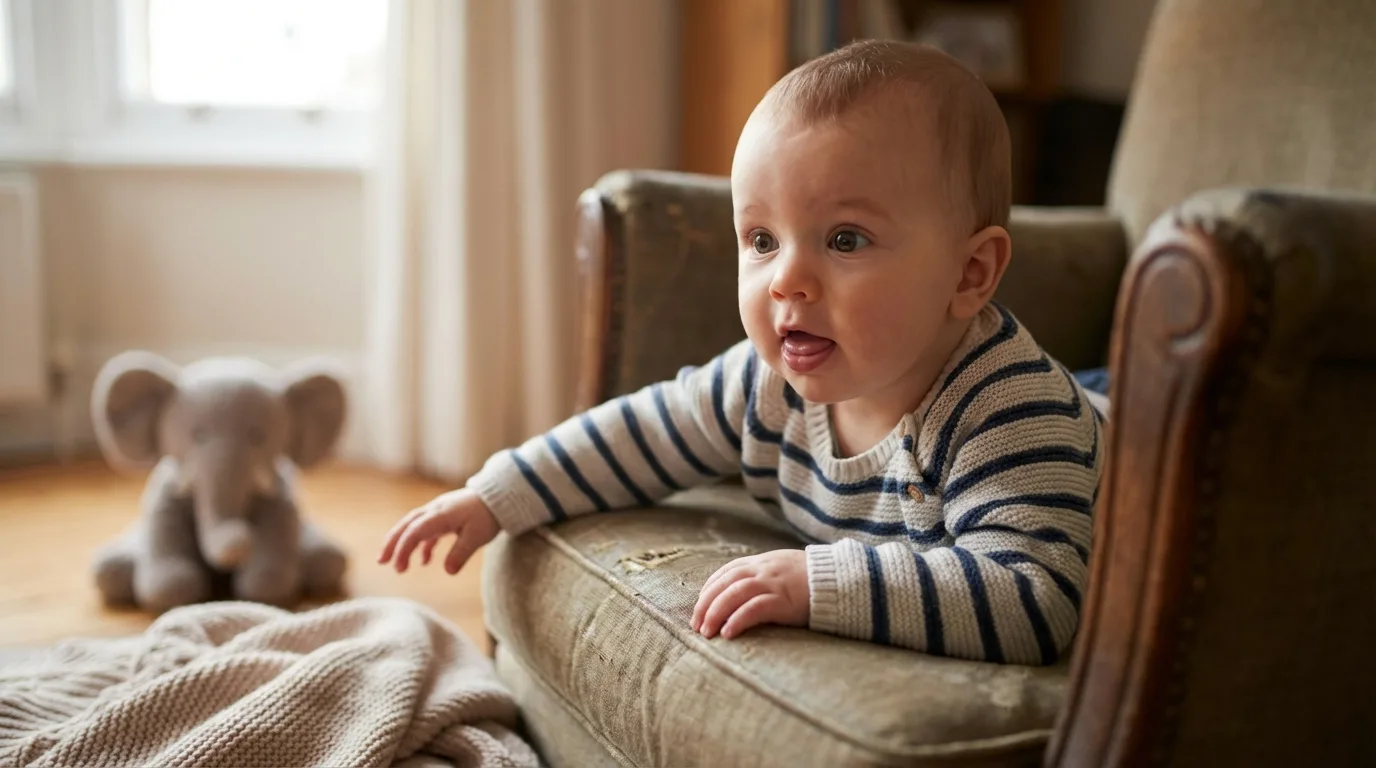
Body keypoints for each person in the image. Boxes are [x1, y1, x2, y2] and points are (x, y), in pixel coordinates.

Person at [378, 40, 1103, 666]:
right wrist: (497, 493)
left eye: (845, 239)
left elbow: (1032, 601)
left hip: (1118, 428)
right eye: (761, 239)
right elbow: (644, 431)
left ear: (969, 274)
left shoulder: (1009, 415)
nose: (786, 279)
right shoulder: (766, 382)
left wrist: (818, 583)